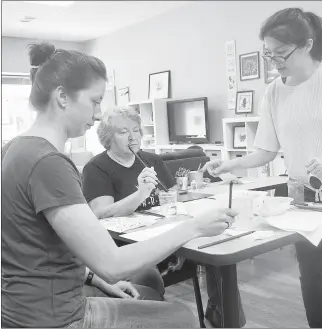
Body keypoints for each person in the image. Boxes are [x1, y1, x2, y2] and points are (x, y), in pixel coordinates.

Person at [1, 42, 238, 328]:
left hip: (20, 309)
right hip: (56, 318)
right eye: (94, 101)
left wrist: (94, 278)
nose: (99, 113)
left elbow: (38, 250)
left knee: (151, 295)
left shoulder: (14, 149)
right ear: (62, 96)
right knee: (181, 318)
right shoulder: (49, 163)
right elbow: (113, 264)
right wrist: (194, 227)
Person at [202, 7, 322, 328]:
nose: (275, 61)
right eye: (269, 54)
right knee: (309, 272)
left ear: (308, 45)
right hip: (302, 193)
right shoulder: (273, 92)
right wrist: (230, 163)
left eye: (281, 53)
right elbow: (265, 151)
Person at [82, 106, 247, 327]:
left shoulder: (153, 160)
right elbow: (101, 213)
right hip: (129, 246)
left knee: (215, 247)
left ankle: (222, 318)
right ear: (108, 138)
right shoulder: (96, 167)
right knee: (147, 280)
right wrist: (140, 193)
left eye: (136, 130)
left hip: (164, 232)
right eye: (123, 132)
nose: (133, 137)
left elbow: (172, 197)